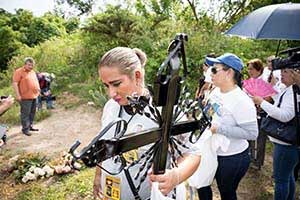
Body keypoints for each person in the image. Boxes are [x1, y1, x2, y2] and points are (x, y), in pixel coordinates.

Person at [93, 47, 201, 200]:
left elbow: (192, 154)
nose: (111, 93)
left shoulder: (164, 112)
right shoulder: (111, 106)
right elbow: (104, 145)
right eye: (106, 85)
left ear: (137, 76)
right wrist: (98, 177)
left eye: (116, 84)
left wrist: (175, 176)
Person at [197, 53, 258, 200]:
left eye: (214, 70)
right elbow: (212, 112)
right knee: (203, 183)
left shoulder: (241, 100)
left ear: (229, 72)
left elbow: (252, 133)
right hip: (212, 151)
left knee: (227, 192)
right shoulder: (216, 90)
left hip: (232, 158)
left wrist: (218, 129)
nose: (209, 73)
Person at [253, 68, 298, 200]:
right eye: (282, 71)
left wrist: (262, 102)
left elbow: (285, 115)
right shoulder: (290, 89)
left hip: (286, 145)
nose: (281, 74)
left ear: (295, 74)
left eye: (286, 71)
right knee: (287, 176)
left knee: (281, 180)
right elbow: (279, 99)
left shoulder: (293, 92)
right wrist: (270, 87)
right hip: (287, 144)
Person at [12, 57, 40, 136]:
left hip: (34, 95)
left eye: (32, 65)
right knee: (25, 113)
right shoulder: (19, 72)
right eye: (29, 65)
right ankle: (25, 129)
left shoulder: (32, 72)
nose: (31, 67)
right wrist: (18, 95)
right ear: (25, 64)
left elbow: (35, 81)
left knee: (32, 112)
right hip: (25, 97)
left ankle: (30, 126)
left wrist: (38, 90)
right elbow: (15, 83)